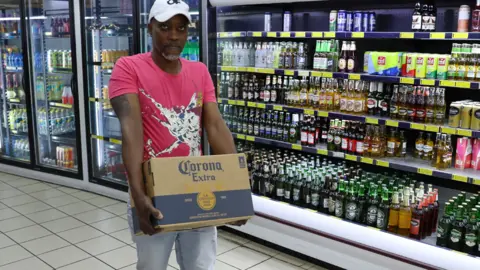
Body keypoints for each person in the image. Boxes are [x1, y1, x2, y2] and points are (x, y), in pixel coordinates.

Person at [108, 0, 241, 269]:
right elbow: (131, 131)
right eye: (165, 27)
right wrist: (138, 194)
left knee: (201, 265)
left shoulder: (199, 71)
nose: (173, 35)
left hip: (199, 188)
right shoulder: (128, 68)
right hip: (153, 192)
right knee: (152, 265)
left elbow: (215, 126)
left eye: (181, 28)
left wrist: (238, 189)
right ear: (150, 28)